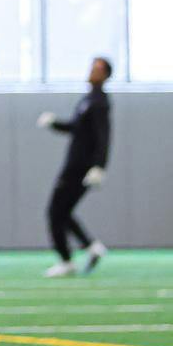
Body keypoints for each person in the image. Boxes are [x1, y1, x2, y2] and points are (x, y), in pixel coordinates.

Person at [38, 56, 114, 277]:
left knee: (55, 212)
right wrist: (54, 123)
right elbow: (76, 128)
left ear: (106, 75)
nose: (92, 71)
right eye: (92, 67)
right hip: (75, 163)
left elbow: (104, 136)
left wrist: (99, 166)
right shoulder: (88, 99)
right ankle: (90, 246)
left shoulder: (100, 102)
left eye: (98, 69)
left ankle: (66, 260)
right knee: (63, 212)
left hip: (81, 166)